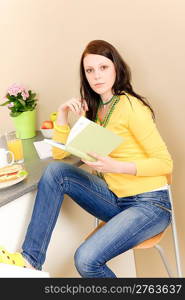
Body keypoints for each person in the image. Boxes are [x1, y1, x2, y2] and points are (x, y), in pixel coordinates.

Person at [0, 40, 173, 277]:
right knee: (56, 172)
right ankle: (30, 260)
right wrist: (62, 116)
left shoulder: (131, 106)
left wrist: (116, 166)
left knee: (85, 259)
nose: (96, 76)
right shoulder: (97, 110)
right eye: (89, 70)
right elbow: (60, 154)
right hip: (117, 200)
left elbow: (165, 163)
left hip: (149, 204)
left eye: (103, 67)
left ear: (116, 68)